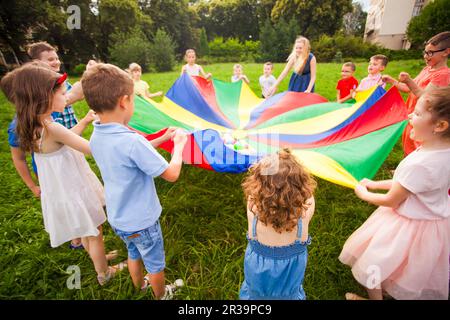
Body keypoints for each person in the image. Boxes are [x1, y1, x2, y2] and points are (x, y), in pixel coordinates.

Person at [10, 63, 124, 285]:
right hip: (75, 188)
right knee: (95, 231)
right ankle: (104, 273)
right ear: (45, 98)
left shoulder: (33, 127)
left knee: (86, 230)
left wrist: (83, 122)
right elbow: (92, 149)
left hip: (61, 191)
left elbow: (65, 140)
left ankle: (97, 258)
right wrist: (107, 127)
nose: (67, 97)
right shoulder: (53, 128)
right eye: (63, 94)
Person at [83, 63, 188, 299]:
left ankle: (140, 286)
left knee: (133, 252)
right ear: (124, 101)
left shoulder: (98, 133)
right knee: (155, 264)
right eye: (133, 100)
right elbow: (171, 175)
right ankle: (161, 295)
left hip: (119, 218)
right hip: (143, 220)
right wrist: (178, 146)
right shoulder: (132, 141)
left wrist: (162, 138)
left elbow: (132, 156)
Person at [339, 85, 450, 300]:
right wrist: (374, 183)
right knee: (409, 266)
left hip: (405, 224)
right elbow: (410, 185)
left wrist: (364, 193)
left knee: (373, 263)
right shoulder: (443, 153)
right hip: (433, 224)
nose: (410, 115)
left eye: (417, 113)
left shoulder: (420, 164)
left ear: (440, 125)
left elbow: (391, 200)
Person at [239, 149, 316, 300]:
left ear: (259, 185)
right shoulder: (305, 211)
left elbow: (254, 192)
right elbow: (308, 195)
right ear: (300, 185)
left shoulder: (253, 206)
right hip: (291, 271)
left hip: (258, 269)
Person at [381, 31, 450, 156]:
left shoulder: (443, 74)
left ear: (446, 52)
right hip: (412, 116)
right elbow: (409, 89)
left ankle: (415, 168)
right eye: (425, 52)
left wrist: (408, 80)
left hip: (425, 119)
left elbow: (426, 97)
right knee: (408, 141)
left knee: (418, 147)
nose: (426, 56)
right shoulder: (426, 70)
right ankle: (406, 165)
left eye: (430, 53)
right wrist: (393, 81)